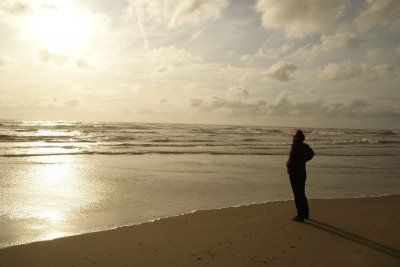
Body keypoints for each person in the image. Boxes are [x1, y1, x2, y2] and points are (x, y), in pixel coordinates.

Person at [286, 130, 314, 222]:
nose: (292, 137)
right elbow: (311, 154)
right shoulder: (305, 146)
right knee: (302, 193)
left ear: (296, 138)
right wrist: (304, 160)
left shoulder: (295, 146)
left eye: (293, 136)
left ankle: (300, 215)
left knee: (297, 194)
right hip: (302, 172)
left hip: (295, 173)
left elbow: (291, 161)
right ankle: (305, 213)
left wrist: (288, 166)